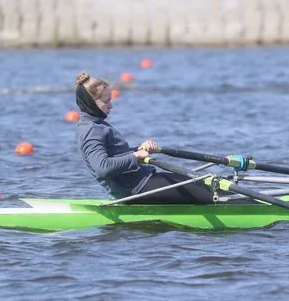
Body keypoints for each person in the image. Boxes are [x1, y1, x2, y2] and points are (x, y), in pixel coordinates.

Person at [74, 71, 222, 204]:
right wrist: (135, 156)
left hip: (140, 182)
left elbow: (116, 156)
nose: (111, 106)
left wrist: (139, 149)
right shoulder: (91, 131)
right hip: (134, 188)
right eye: (106, 102)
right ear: (90, 103)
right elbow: (103, 168)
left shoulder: (96, 125)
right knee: (206, 189)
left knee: (202, 184)